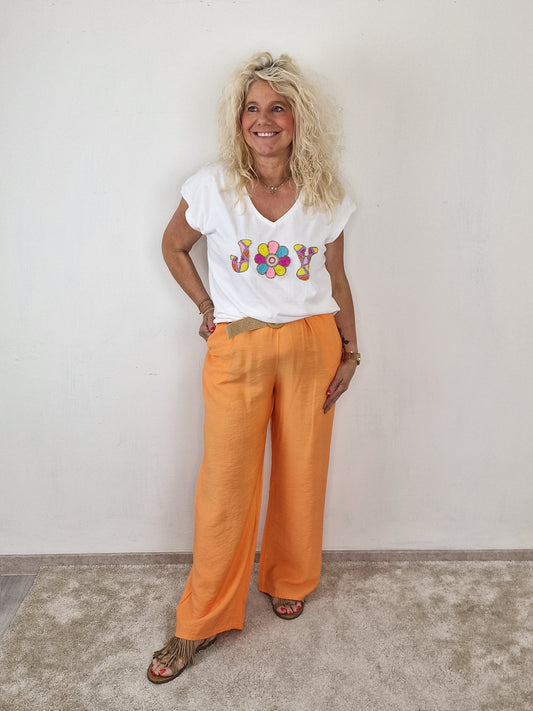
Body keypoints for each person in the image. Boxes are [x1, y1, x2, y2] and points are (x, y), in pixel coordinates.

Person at [147, 51, 360, 684]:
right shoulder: (212, 186)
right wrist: (206, 306)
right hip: (237, 345)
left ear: (299, 118)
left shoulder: (326, 192)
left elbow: (337, 278)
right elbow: (173, 246)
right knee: (226, 483)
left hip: (312, 344)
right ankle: (202, 619)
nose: (264, 120)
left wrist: (351, 350)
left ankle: (289, 577)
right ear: (239, 119)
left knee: (302, 470)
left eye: (278, 107)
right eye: (252, 108)